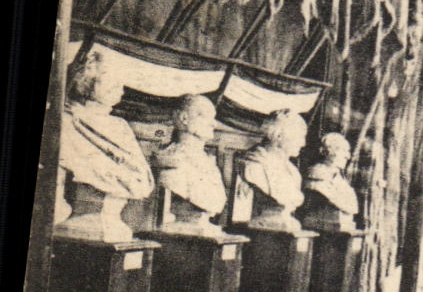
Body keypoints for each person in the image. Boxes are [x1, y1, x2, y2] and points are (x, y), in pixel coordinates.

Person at [58, 50, 154, 241]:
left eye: (120, 80)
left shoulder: (121, 127)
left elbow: (143, 181)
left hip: (112, 223)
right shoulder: (65, 122)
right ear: (87, 78)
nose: (119, 87)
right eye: (109, 77)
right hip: (83, 223)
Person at [154, 94, 226, 234]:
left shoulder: (209, 162)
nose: (214, 124)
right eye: (205, 116)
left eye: (213, 117)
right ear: (184, 118)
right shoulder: (170, 160)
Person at [240, 110, 308, 231]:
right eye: (299, 137)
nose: (303, 144)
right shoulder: (254, 164)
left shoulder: (293, 171)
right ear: (278, 136)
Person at [302, 132, 360, 231]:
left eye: (348, 151)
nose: (348, 156)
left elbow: (351, 206)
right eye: (343, 151)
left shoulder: (340, 178)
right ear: (327, 151)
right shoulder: (316, 175)